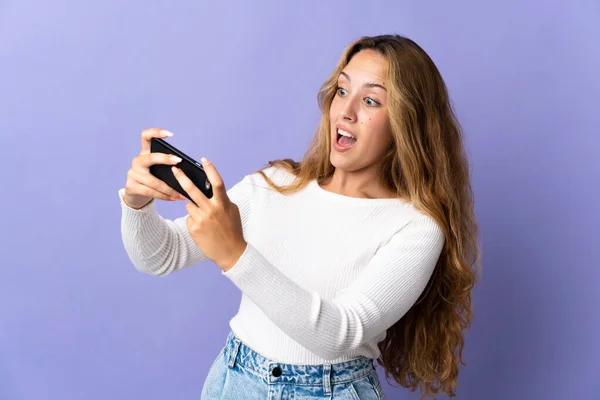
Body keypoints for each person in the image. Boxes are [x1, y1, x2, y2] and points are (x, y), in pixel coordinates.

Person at [118, 34, 480, 400]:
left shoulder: (414, 227)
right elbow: (159, 257)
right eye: (342, 91)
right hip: (235, 382)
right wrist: (137, 203)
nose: (346, 111)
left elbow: (343, 332)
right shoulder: (276, 185)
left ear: (406, 123)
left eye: (370, 100)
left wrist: (234, 253)